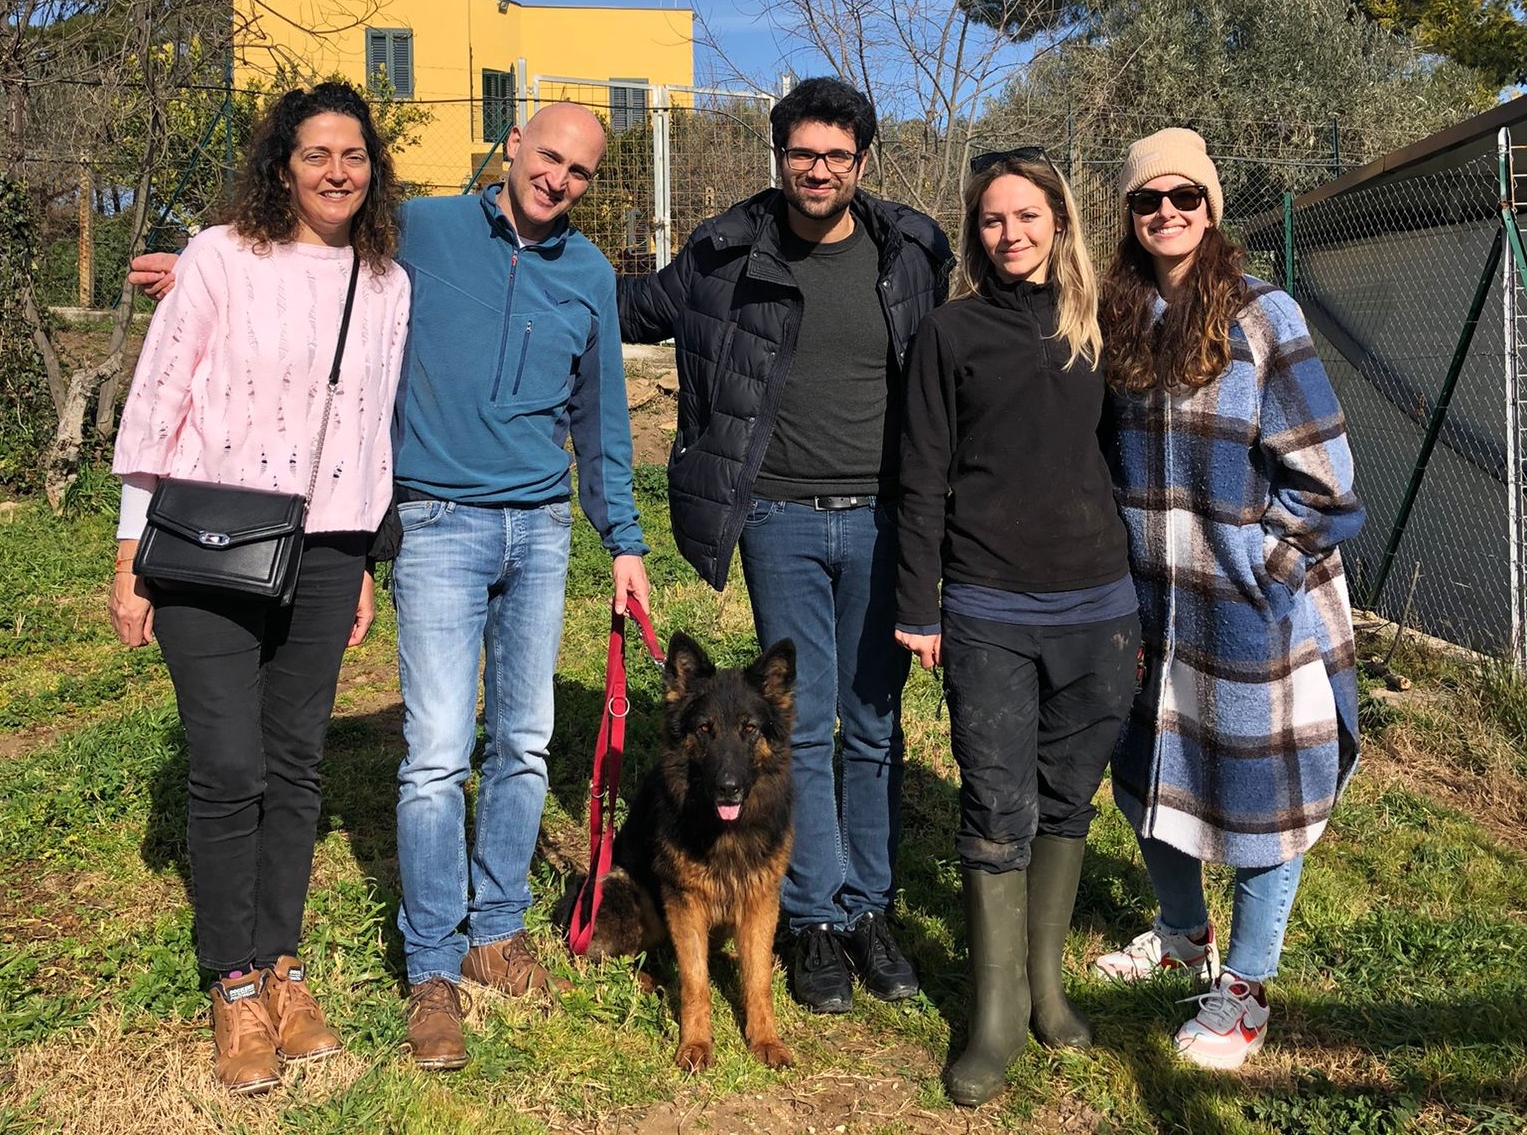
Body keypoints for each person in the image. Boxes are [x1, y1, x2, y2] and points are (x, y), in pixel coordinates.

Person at [129, 101, 651, 1072]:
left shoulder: (588, 273)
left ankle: (498, 927)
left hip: (539, 529)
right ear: (513, 148)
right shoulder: (424, 229)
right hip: (439, 523)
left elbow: (604, 417)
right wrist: (206, 266)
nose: (560, 181)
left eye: (581, 171)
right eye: (549, 158)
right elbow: (305, 246)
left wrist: (623, 537)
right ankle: (433, 968)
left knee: (527, 740)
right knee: (436, 752)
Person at [617, 77, 951, 1013]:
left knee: (874, 724)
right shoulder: (725, 252)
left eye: (836, 156)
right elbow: (632, 308)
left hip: (886, 518)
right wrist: (514, 260)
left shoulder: (911, 251)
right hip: (780, 519)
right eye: (803, 152)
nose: (818, 169)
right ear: (779, 154)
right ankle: (808, 920)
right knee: (794, 727)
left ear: (861, 162)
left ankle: (867, 907)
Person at [110, 82, 411, 1095]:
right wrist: (128, 553)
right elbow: (159, 398)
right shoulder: (221, 256)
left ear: (374, 170)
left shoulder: (386, 281)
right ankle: (230, 980)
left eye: (354, 155)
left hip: (326, 551)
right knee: (229, 763)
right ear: (283, 162)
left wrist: (366, 556)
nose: (337, 171)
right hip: (208, 542)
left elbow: (370, 429)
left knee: (295, 763)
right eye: (317, 153)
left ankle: (282, 960)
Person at [1091, 128, 1364, 1070]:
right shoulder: (1118, 318)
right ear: (1126, 216)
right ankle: (1179, 934)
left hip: (1247, 611)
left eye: (1185, 197)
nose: (1166, 211)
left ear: (1211, 209)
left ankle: (1243, 989)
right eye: (1146, 199)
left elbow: (1325, 482)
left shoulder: (1262, 314)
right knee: (1147, 783)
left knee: (1257, 802)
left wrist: (1267, 575)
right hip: (1148, 609)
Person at [893, 149, 1139, 1106]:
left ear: (1060, 221)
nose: (1012, 234)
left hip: (1099, 607)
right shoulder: (949, 333)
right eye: (994, 220)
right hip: (989, 606)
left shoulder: (1098, 326)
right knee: (998, 804)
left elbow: (1130, 450)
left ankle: (1046, 989)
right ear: (975, 232)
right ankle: (993, 1015)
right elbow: (919, 475)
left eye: (1028, 216)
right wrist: (919, 604)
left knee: (1066, 800)